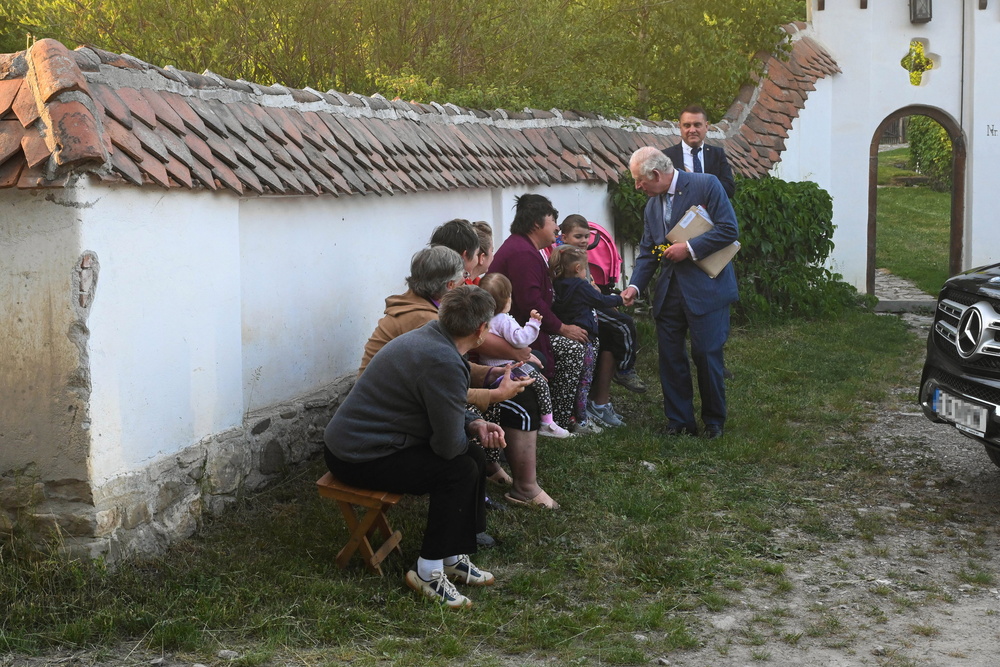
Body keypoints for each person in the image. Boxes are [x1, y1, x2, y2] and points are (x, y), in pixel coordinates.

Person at [324, 286, 504, 608]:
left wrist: (473, 424)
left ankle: (452, 556)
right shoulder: (442, 359)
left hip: (368, 442)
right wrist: (463, 431)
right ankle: (428, 572)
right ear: (480, 330)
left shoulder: (435, 337)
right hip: (357, 455)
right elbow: (448, 447)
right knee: (459, 469)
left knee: (474, 455)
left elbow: (442, 404)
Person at [361, 245, 559, 510]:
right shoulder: (425, 321)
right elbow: (442, 391)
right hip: (390, 417)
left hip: (400, 402)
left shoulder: (427, 310)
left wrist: (492, 373)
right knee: (508, 413)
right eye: (464, 278)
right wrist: (493, 395)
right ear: (451, 285)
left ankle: (489, 483)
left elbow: (448, 375)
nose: (468, 281)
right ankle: (520, 487)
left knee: (479, 436)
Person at [620, 147, 739, 440]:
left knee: (706, 355)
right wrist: (635, 285)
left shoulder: (706, 184)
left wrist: (688, 248)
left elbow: (728, 230)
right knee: (671, 358)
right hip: (669, 292)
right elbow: (648, 251)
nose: (637, 186)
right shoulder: (652, 206)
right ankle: (679, 422)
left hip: (706, 289)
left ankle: (714, 422)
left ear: (656, 175)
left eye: (639, 180)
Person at [491, 194, 597, 435]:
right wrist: (562, 327)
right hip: (517, 333)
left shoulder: (530, 248)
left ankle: (575, 413)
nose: (557, 227)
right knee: (573, 347)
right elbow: (531, 303)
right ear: (537, 224)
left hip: (529, 328)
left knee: (590, 338)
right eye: (553, 220)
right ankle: (553, 420)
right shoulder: (522, 253)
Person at [558, 214, 647, 399]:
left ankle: (601, 397)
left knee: (615, 328)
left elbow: (590, 286)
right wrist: (618, 300)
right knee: (624, 324)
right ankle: (625, 370)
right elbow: (587, 292)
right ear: (564, 237)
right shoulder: (565, 256)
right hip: (582, 308)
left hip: (588, 301)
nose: (583, 241)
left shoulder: (576, 254)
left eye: (586, 236)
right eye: (578, 237)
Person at [478, 272, 571, 439]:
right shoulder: (503, 320)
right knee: (540, 383)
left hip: (488, 368)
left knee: (536, 374)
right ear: (507, 300)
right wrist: (533, 324)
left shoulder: (481, 318)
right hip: (508, 367)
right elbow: (521, 340)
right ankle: (547, 423)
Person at [549, 246, 627, 429]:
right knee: (584, 382)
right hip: (586, 339)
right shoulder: (581, 285)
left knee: (572, 383)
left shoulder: (557, 284)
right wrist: (621, 299)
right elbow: (601, 301)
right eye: (586, 268)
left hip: (571, 336)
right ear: (577, 268)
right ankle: (583, 420)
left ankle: (571, 416)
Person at [663, 105, 735, 198]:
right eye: (687, 125)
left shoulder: (717, 154)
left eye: (697, 125)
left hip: (710, 211)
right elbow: (660, 191)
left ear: (706, 126)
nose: (692, 130)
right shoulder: (666, 156)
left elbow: (729, 190)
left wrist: (698, 183)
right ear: (680, 127)